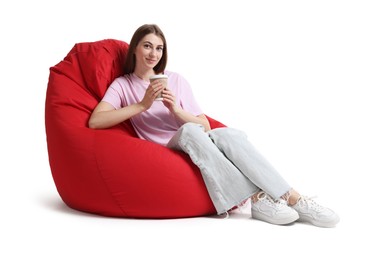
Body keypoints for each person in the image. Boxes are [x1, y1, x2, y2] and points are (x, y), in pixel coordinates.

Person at [88, 24, 340, 228]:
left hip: (195, 137)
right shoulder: (123, 85)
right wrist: (143, 105)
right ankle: (255, 198)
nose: (153, 54)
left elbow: (204, 125)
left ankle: (293, 198)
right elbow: (96, 121)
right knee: (188, 131)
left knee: (227, 134)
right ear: (135, 49)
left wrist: (175, 110)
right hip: (166, 148)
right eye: (147, 46)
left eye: (159, 48)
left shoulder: (175, 80)